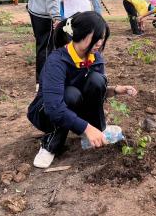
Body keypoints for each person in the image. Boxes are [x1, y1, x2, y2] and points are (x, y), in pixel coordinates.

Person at [27, 11, 137, 168]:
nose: (99, 43)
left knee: (97, 80)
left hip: (73, 105)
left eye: (102, 38)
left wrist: (115, 90)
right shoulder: (57, 61)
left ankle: (98, 130)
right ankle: (50, 145)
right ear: (80, 34)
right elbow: (54, 107)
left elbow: (95, 90)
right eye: (96, 37)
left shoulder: (95, 57)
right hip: (46, 112)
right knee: (70, 94)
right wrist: (86, 128)